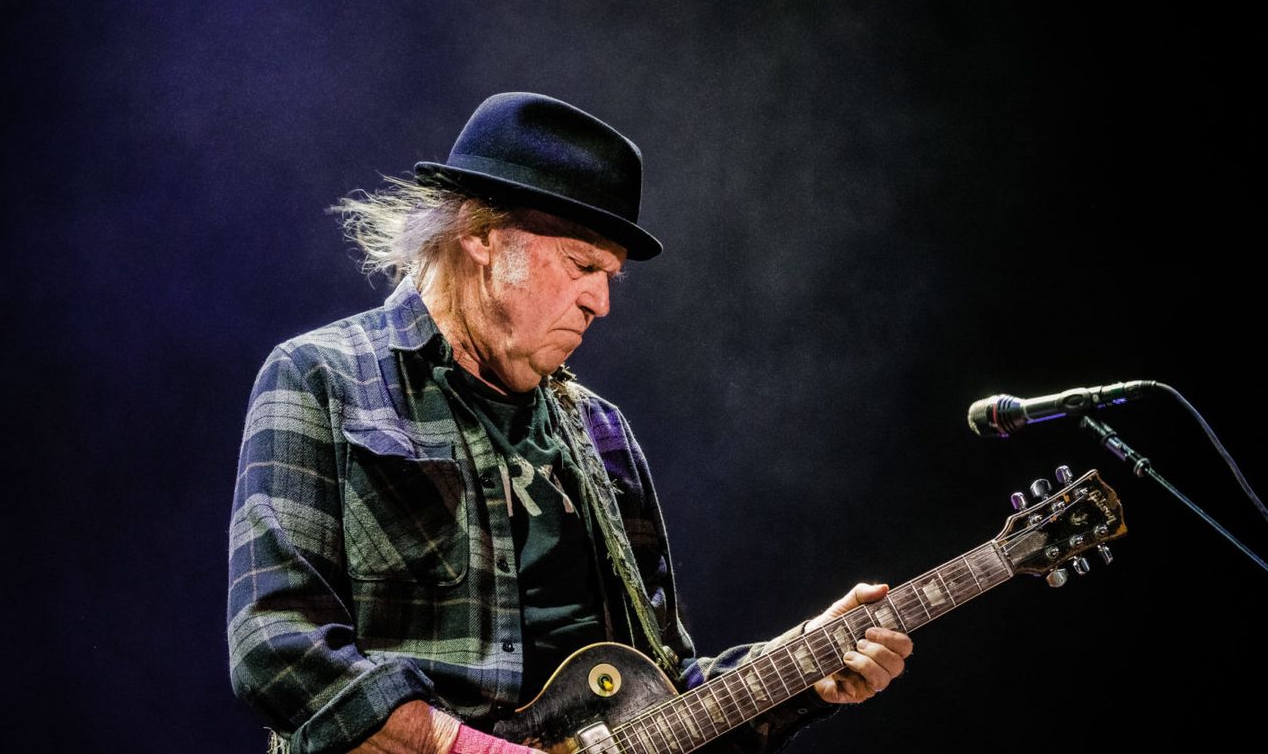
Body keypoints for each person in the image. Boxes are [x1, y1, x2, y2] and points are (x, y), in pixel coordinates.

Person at [227, 92, 912, 754]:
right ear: (480, 235)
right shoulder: (322, 378)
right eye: (582, 265)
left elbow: (665, 695)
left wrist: (800, 671)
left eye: (610, 276)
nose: (600, 303)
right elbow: (278, 647)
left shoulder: (601, 433)